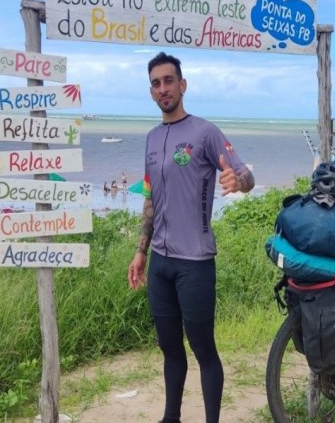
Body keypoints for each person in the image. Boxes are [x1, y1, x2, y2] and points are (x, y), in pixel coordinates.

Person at [127, 52, 255, 423]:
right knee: (169, 347)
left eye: (169, 81)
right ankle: (172, 417)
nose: (163, 88)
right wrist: (141, 252)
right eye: (156, 83)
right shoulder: (152, 138)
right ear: (151, 91)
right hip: (161, 264)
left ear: (182, 85)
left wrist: (238, 182)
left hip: (195, 263)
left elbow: (244, 174)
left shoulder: (205, 132)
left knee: (203, 349)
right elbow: (151, 196)